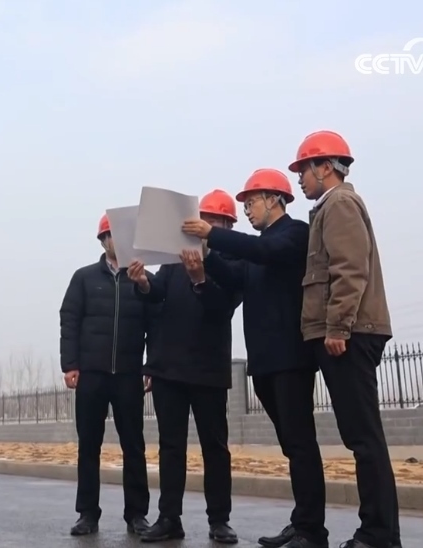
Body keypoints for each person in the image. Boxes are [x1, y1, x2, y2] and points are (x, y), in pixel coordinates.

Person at [182, 169, 327, 548]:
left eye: (251, 202)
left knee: (301, 445)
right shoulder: (256, 249)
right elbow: (235, 276)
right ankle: (302, 522)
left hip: (291, 360)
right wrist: (206, 258)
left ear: (275, 199)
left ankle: (312, 531)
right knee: (291, 446)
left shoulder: (294, 234)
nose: (246, 210)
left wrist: (212, 234)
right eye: (244, 204)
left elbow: (263, 252)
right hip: (263, 363)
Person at [288, 130, 400, 548]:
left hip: (350, 334)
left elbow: (350, 269)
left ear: (325, 168)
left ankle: (378, 535)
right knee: (361, 437)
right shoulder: (328, 208)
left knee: (364, 439)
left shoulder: (339, 205)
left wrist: (338, 327)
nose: (300, 178)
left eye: (304, 169)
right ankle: (379, 533)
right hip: (347, 332)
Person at [127, 189, 242, 544]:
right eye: (203, 219)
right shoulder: (175, 256)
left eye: (215, 221)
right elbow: (157, 292)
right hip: (169, 369)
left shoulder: (233, 261)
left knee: (215, 447)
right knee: (171, 447)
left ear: (227, 226)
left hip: (208, 369)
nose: (206, 225)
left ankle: (219, 520)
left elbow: (222, 308)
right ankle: (169, 518)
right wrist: (143, 281)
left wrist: (200, 279)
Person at [59, 213, 153, 537]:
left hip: (129, 374)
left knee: (134, 446)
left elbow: (156, 325)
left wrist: (151, 366)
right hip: (92, 374)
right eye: (112, 234)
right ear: (103, 240)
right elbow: (69, 319)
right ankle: (87, 513)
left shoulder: (143, 280)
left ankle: (137, 514)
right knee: (89, 446)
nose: (119, 240)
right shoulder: (84, 278)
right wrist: (70, 364)